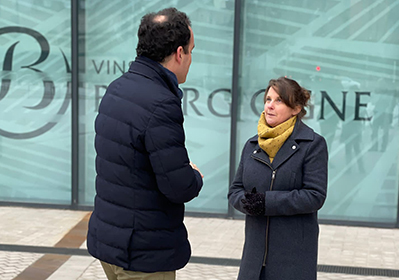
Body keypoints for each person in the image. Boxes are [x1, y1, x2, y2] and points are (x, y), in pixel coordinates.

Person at [87, 7, 203, 280]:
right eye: (191, 50)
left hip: (110, 242)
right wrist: (194, 175)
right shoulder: (161, 102)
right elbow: (178, 186)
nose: (190, 58)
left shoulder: (117, 88)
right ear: (178, 53)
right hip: (143, 254)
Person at [228, 77, 328, 280]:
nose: (270, 106)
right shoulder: (252, 145)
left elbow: (314, 196)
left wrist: (266, 203)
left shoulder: (312, 144)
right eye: (268, 99)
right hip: (254, 260)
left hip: (292, 260)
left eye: (279, 100)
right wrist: (246, 203)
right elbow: (235, 190)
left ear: (296, 108)